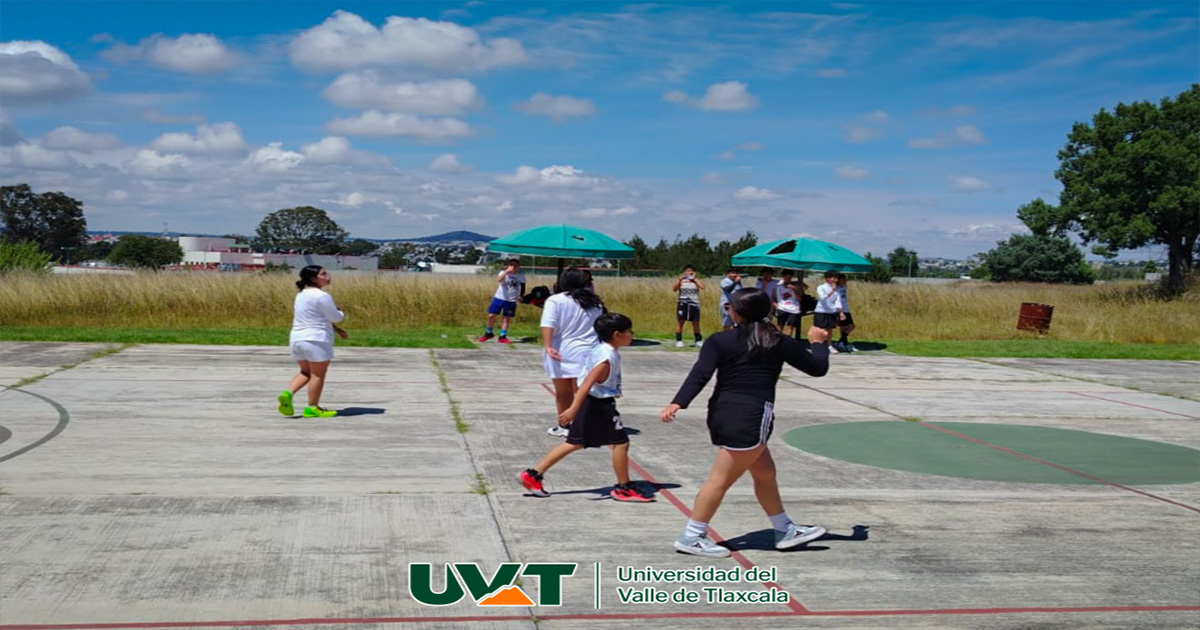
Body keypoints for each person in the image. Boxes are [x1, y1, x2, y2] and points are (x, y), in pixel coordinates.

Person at [660, 288, 831, 558]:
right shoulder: (778, 340)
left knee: (765, 472)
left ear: (735, 311)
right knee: (719, 480)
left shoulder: (719, 340)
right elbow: (817, 368)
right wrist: (818, 342)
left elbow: (700, 374)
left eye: (730, 306)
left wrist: (678, 402)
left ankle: (784, 529)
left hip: (721, 413)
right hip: (750, 418)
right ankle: (692, 535)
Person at [518, 313, 652, 502]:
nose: (632, 334)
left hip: (595, 401)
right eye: (629, 331)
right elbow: (588, 383)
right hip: (597, 404)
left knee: (575, 442)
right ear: (617, 334)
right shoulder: (606, 357)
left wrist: (612, 389)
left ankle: (533, 475)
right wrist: (573, 408)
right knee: (620, 443)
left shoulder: (601, 349)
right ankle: (623, 487)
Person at [541, 267, 606, 437]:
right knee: (583, 390)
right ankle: (584, 423)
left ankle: (565, 425)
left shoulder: (555, 300)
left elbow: (548, 324)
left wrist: (548, 346)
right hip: (588, 351)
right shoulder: (595, 302)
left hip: (562, 350)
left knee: (563, 392)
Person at [278, 265, 347, 419]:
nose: (327, 275)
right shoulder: (322, 296)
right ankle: (312, 407)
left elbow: (316, 317)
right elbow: (336, 317)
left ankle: (287, 393)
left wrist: (337, 330)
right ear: (314, 278)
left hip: (297, 338)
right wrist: (340, 312)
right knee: (318, 375)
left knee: (305, 372)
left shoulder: (301, 295)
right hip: (316, 339)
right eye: (323, 274)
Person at [478, 258, 526, 344]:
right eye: (511, 265)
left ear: (518, 267)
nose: (513, 267)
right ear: (508, 265)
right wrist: (507, 271)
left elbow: (523, 287)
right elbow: (499, 279)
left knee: (506, 318)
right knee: (491, 315)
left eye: (515, 265)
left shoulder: (520, 276)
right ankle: (488, 332)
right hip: (499, 297)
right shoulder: (503, 273)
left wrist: (520, 296)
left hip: (510, 300)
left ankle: (502, 336)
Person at [672, 264, 705, 348]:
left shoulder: (696, 281)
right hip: (683, 302)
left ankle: (698, 340)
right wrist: (680, 280)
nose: (689, 272)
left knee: (696, 323)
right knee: (680, 321)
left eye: (691, 271)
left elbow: (702, 287)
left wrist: (694, 279)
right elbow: (674, 289)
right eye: (687, 271)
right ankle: (679, 340)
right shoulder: (682, 281)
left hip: (694, 303)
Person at [813, 270, 844, 353]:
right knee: (820, 330)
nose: (835, 280)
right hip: (821, 310)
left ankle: (829, 345)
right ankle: (819, 345)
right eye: (834, 278)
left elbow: (838, 301)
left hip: (831, 311)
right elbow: (822, 298)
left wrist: (841, 312)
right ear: (828, 278)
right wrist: (832, 291)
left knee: (830, 329)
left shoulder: (837, 289)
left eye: (836, 278)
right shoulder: (821, 287)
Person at [834, 273, 857, 353]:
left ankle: (842, 341)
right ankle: (843, 342)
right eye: (843, 279)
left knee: (851, 326)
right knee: (844, 326)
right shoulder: (836, 289)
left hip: (846, 309)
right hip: (840, 310)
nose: (844, 281)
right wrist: (839, 311)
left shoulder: (843, 287)